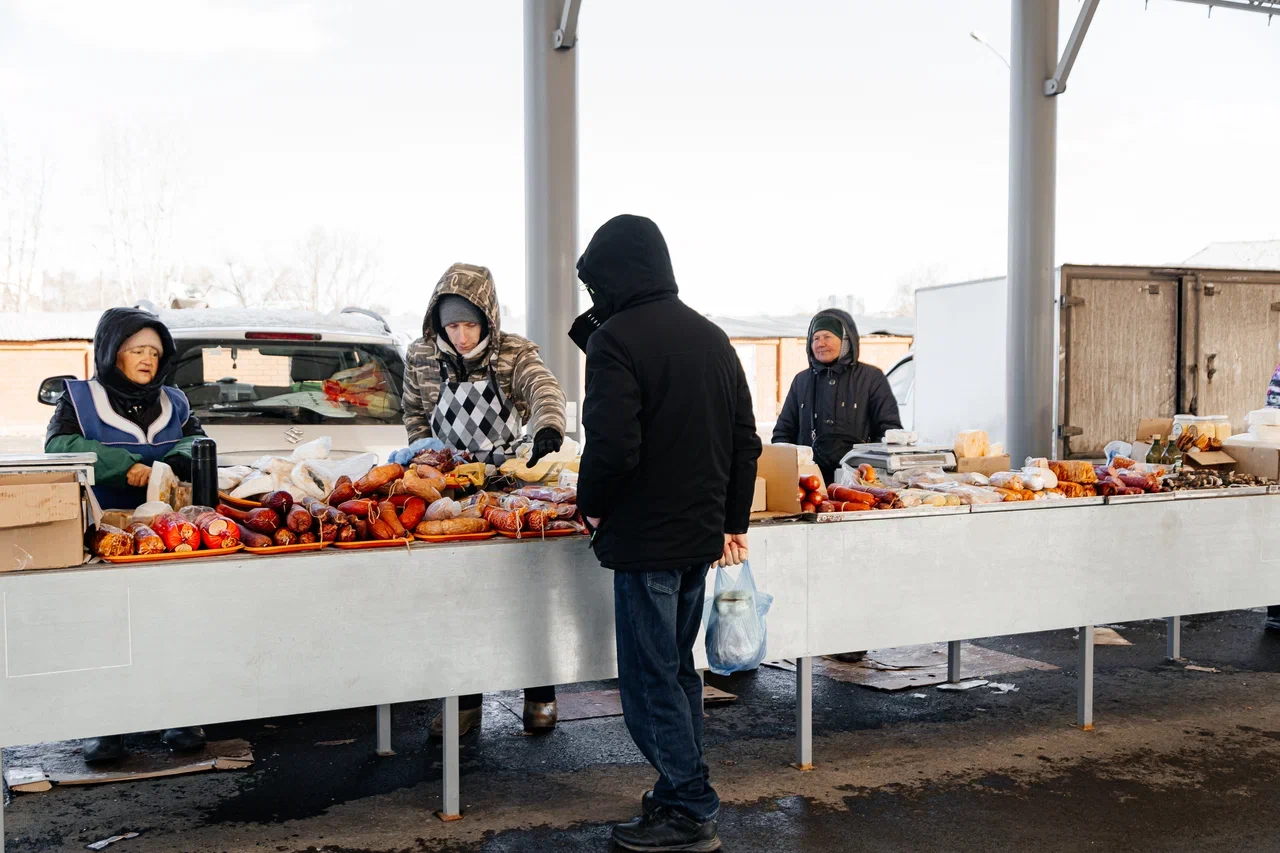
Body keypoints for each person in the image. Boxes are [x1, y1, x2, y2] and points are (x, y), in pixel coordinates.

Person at [574, 214, 761, 853]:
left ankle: (689, 805)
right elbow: (745, 443)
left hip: (646, 540)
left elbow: (612, 444)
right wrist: (732, 521)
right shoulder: (713, 338)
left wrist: (591, 505)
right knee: (677, 671)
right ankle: (677, 793)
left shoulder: (615, 341)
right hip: (696, 540)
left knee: (650, 681)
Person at [402, 262, 567, 735]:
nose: (462, 336)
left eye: (470, 324)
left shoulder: (513, 352)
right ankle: (463, 702)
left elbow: (543, 388)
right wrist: (426, 458)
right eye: (452, 325)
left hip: (510, 485)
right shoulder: (420, 356)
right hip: (449, 492)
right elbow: (414, 412)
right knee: (460, 599)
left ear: (488, 319)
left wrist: (548, 426)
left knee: (526, 595)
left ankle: (539, 695)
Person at [44, 307, 208, 762]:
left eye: (155, 352)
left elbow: (199, 440)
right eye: (137, 349)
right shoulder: (78, 398)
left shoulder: (174, 400)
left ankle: (177, 715)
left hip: (168, 534)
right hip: (104, 534)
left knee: (172, 622)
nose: (147, 359)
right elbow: (59, 446)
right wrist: (122, 465)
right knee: (107, 628)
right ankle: (106, 726)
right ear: (112, 352)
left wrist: (173, 461)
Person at [772, 308, 903, 486]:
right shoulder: (801, 381)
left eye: (827, 337)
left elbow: (889, 432)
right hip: (810, 484)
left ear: (846, 341)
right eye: (815, 338)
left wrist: (870, 469)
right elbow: (783, 434)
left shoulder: (871, 378)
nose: (820, 344)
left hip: (859, 482)